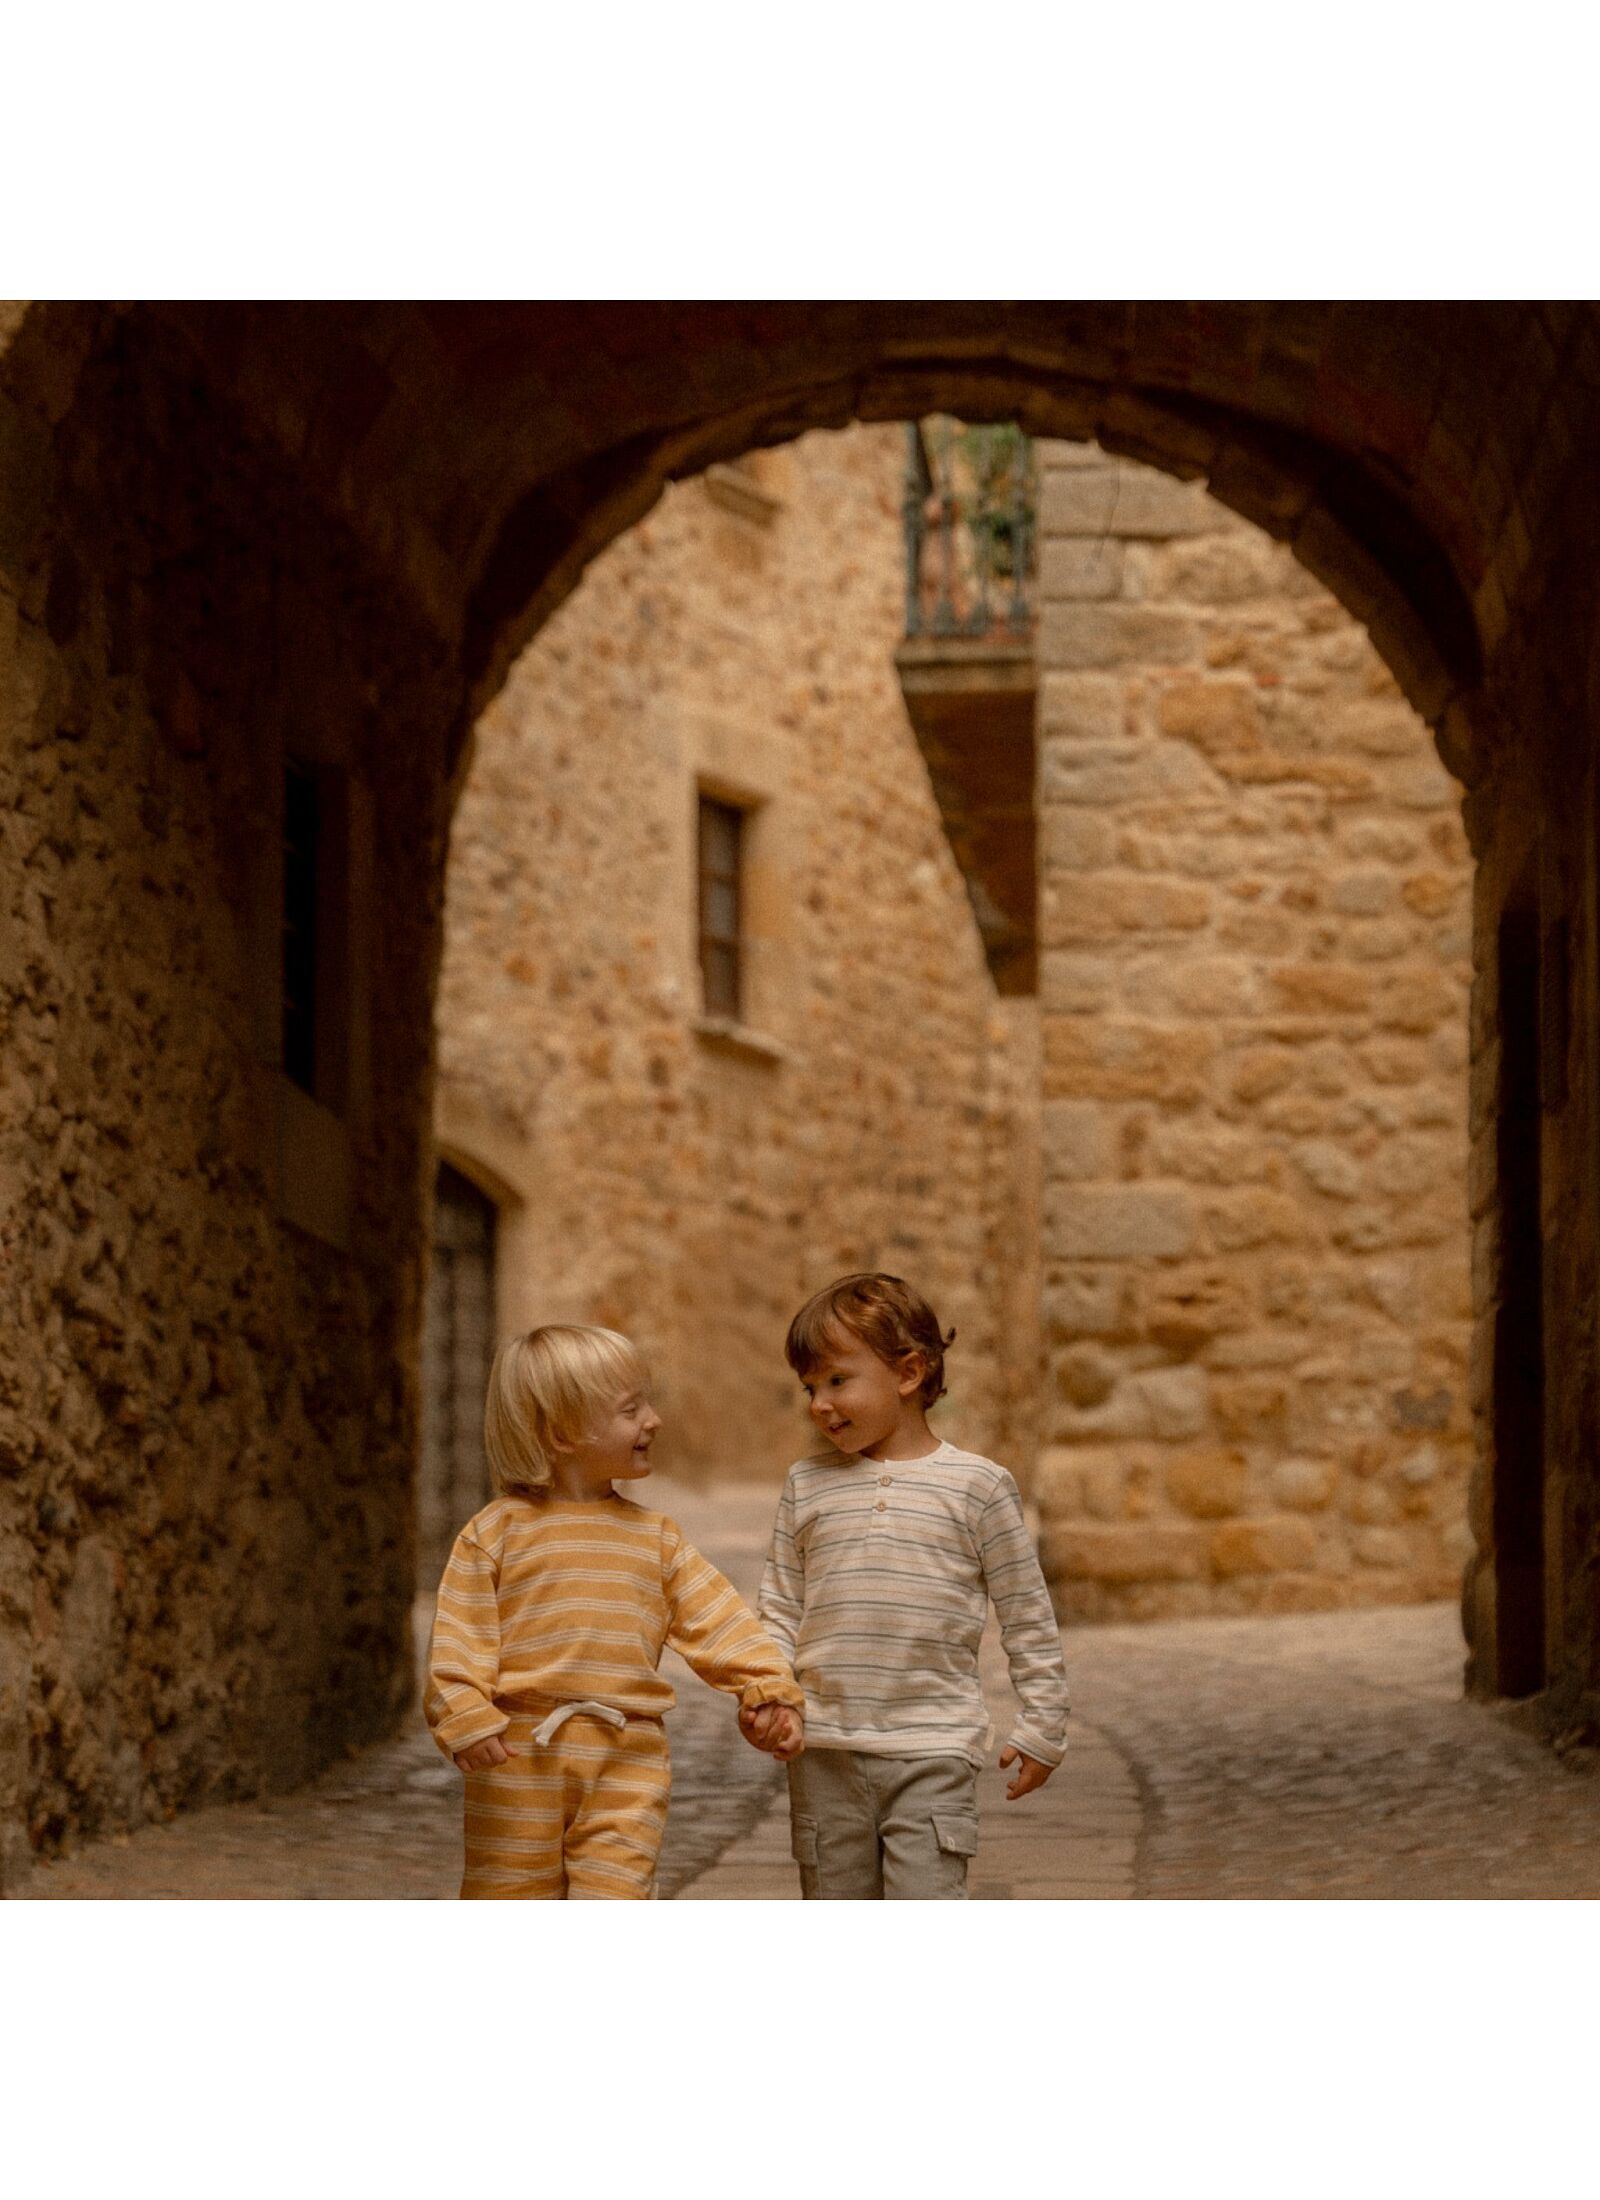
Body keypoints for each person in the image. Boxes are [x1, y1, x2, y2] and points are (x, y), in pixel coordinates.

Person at [426, 1322, 804, 1900]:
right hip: (514, 1764)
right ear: (561, 1433)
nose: (653, 1420)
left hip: (627, 1762)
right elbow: (460, 1639)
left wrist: (767, 1686)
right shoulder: (493, 1535)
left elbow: (719, 1621)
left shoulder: (656, 1540)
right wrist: (465, 1715)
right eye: (632, 1409)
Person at [743, 1272, 1068, 1900]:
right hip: (824, 1748)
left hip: (934, 1745)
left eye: (838, 1380)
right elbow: (780, 1608)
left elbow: (1027, 1613)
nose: (819, 1402)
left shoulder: (978, 1487)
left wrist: (1043, 1725)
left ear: (909, 1373)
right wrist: (769, 1691)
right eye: (809, 1386)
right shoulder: (805, 1485)